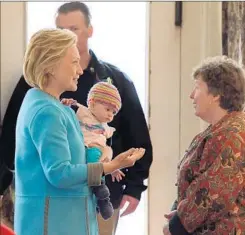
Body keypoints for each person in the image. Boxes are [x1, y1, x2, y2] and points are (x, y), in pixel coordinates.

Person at [0, 2, 153, 234]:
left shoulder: (111, 82)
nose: (79, 70)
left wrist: (133, 184)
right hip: (56, 221)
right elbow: (60, 173)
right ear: (51, 66)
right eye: (72, 63)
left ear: (89, 30)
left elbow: (137, 134)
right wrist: (114, 164)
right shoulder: (46, 109)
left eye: (73, 28)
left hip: (78, 212)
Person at [163, 56, 245, 235]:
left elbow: (214, 192)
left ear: (216, 95)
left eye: (197, 87)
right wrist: (180, 212)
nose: (191, 95)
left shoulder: (234, 134)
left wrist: (177, 225)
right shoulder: (222, 129)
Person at [62, 80, 125, 220]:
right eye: (107, 109)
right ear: (92, 103)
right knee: (94, 155)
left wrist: (113, 168)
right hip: (83, 148)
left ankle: (101, 198)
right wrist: (66, 103)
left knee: (102, 155)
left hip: (97, 153)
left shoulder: (106, 128)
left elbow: (107, 152)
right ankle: (100, 189)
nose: (110, 115)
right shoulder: (84, 112)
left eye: (113, 112)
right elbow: (69, 106)